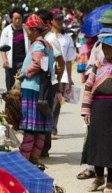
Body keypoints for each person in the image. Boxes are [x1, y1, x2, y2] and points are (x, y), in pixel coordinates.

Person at [76, 8, 112, 180]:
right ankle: (94, 170)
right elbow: (91, 67)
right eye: (104, 25)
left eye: (109, 25)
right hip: (98, 101)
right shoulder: (98, 45)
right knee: (94, 138)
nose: (105, 28)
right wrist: (98, 72)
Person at [80, 28, 112, 193]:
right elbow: (89, 87)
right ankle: (98, 177)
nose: (106, 50)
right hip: (98, 109)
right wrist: (86, 111)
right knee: (96, 144)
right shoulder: (98, 64)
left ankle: (111, 181)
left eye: (110, 47)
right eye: (104, 47)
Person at [17, 14, 54, 166]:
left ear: (34, 30)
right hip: (42, 89)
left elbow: (37, 64)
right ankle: (34, 158)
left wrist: (23, 73)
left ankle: (24, 160)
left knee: (29, 127)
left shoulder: (38, 45)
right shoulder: (47, 44)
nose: (27, 33)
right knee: (39, 127)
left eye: (28, 30)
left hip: (32, 88)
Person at [35, 9, 66, 158]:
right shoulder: (42, 37)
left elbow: (61, 61)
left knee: (45, 114)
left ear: (46, 23)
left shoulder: (51, 39)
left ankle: (44, 148)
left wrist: (58, 82)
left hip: (49, 83)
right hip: (42, 82)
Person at [50, 8, 77, 137]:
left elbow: (69, 60)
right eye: (57, 19)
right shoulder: (47, 36)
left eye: (62, 19)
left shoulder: (67, 39)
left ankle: (53, 128)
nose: (60, 21)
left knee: (56, 101)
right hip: (48, 73)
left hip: (62, 75)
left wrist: (70, 78)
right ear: (51, 21)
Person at [0, 6, 30, 91]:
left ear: (22, 18)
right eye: (15, 18)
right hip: (10, 62)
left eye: (19, 18)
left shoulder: (26, 29)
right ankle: (9, 103)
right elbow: (2, 48)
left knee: (22, 85)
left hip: (23, 62)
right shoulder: (6, 31)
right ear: (12, 19)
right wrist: (5, 60)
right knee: (10, 86)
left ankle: (20, 103)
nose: (17, 21)